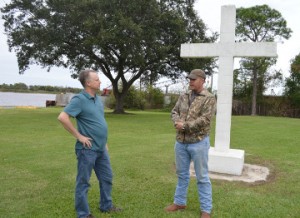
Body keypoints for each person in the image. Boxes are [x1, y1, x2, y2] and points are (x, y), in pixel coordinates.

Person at [58, 69, 121, 218]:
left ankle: (106, 205)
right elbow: (62, 117)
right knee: (83, 182)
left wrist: (104, 142)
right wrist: (79, 136)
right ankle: (83, 214)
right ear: (88, 83)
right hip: (87, 149)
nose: (100, 82)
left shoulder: (97, 99)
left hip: (101, 148)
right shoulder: (79, 99)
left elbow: (98, 122)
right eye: (97, 79)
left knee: (107, 178)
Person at [165, 69, 216, 218]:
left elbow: (205, 120)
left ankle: (206, 210)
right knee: (182, 174)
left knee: (202, 177)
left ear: (202, 80)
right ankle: (179, 202)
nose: (190, 81)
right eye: (190, 79)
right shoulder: (184, 95)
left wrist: (185, 125)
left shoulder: (209, 98)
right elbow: (174, 111)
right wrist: (177, 122)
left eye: (194, 79)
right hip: (181, 142)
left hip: (198, 143)